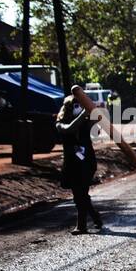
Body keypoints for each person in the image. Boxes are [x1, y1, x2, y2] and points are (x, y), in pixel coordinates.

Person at [55, 98, 104, 234]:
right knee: (80, 194)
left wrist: (94, 114)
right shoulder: (60, 123)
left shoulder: (85, 122)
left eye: (80, 106)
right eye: (76, 106)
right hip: (72, 164)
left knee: (81, 193)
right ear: (68, 108)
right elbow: (70, 129)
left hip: (87, 162)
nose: (78, 108)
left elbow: (96, 132)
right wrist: (84, 113)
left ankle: (81, 225)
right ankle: (95, 217)